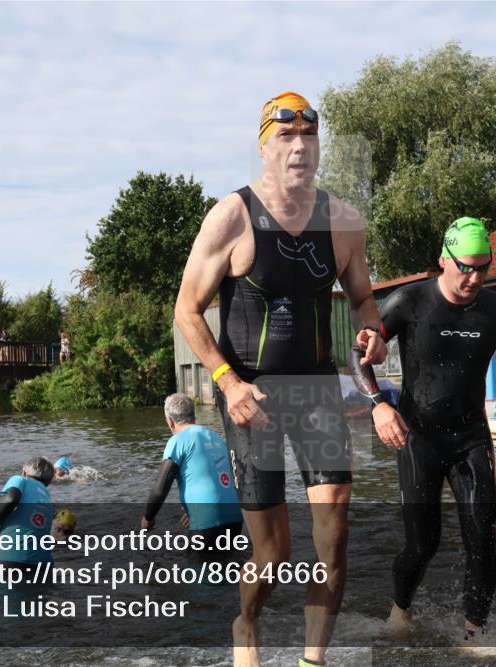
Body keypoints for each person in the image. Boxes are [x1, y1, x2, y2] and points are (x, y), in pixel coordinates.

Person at [174, 90, 386, 667]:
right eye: (286, 139)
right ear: (264, 149)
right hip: (253, 396)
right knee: (270, 557)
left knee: (334, 530)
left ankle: (311, 661)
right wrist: (227, 382)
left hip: (317, 390)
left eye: (309, 138)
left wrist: (373, 331)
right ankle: (247, 625)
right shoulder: (233, 216)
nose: (299, 148)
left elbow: (365, 299)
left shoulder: (342, 220)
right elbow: (186, 310)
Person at [350, 216, 496, 640]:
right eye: (465, 266)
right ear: (443, 260)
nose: (474, 277)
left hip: (471, 437)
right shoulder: (408, 302)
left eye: (483, 267)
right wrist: (379, 405)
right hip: (419, 438)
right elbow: (357, 351)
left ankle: (475, 634)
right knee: (423, 543)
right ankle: (400, 611)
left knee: (482, 536)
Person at [142, 394, 243, 548]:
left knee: (198, 569)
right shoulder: (216, 438)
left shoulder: (177, 440)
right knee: (228, 566)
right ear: (193, 416)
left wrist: (148, 518)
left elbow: (160, 488)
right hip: (236, 518)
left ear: (169, 421)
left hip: (207, 520)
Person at [0, 456, 55, 567]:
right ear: (49, 482)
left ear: (24, 472)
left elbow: (11, 499)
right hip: (43, 564)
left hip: (9, 559)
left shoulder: (20, 479)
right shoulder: (47, 498)